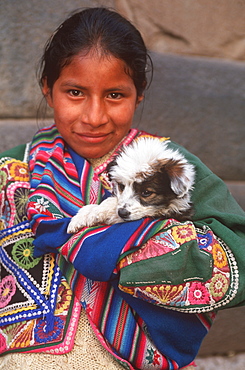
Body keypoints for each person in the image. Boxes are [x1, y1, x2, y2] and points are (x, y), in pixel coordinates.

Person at [0, 7, 245, 370]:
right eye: (75, 92)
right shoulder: (13, 170)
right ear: (48, 91)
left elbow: (237, 253)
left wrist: (127, 247)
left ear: (139, 94)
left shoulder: (167, 164)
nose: (94, 116)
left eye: (115, 95)